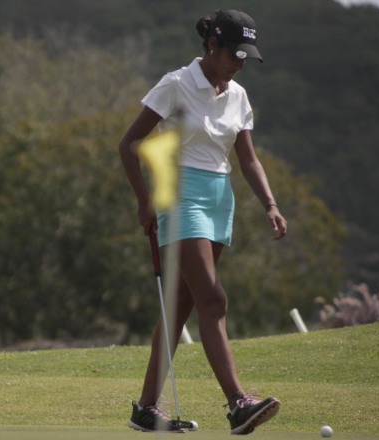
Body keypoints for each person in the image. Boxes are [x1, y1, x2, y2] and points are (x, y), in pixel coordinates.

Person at [119, 10, 287, 435]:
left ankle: (146, 410)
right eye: (235, 53)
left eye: (247, 56)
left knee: (181, 307)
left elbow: (247, 159)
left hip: (218, 199)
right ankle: (237, 404)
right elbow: (129, 143)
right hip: (179, 196)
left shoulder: (238, 95)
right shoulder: (177, 84)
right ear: (212, 44)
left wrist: (269, 203)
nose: (241, 62)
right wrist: (144, 202)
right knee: (214, 300)